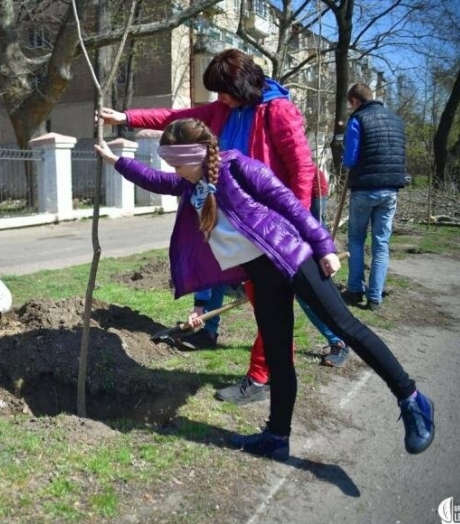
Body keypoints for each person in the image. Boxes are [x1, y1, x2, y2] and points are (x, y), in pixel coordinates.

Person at [95, 117, 434, 460]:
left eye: (178, 163)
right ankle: (276, 437)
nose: (175, 170)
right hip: (261, 276)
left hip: (292, 259)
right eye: (172, 164)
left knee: (347, 327)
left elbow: (288, 203)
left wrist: (323, 245)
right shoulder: (192, 186)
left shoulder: (238, 168)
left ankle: (412, 400)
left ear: (196, 155)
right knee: (277, 356)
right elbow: (155, 179)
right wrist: (116, 160)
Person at [99, 48, 351, 399]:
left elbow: (302, 168)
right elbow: (176, 116)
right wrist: (126, 116)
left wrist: (295, 224)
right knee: (267, 301)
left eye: (224, 90)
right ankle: (267, 363)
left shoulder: (278, 111)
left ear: (244, 85)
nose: (220, 98)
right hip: (237, 225)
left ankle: (269, 373)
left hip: (271, 224)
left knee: (281, 301)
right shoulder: (222, 110)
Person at [342, 83, 407, 311]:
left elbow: (349, 159)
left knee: (357, 239)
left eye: (351, 104)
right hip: (390, 190)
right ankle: (375, 297)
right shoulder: (397, 121)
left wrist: (345, 156)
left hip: (365, 187)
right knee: (381, 244)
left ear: (356, 101)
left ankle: (355, 289)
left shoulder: (358, 119)